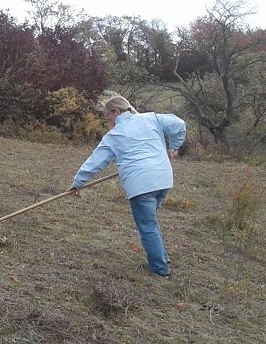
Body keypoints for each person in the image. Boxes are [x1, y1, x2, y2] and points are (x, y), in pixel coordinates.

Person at [69, 94, 186, 278]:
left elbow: (94, 163)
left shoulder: (113, 136)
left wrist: (77, 183)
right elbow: (179, 124)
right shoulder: (152, 119)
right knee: (150, 222)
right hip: (163, 180)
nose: (106, 118)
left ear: (116, 111)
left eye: (107, 114)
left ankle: (160, 270)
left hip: (141, 184)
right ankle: (161, 257)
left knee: (147, 225)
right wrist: (174, 147)